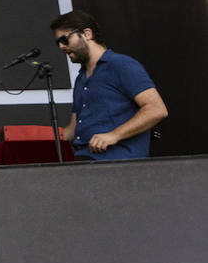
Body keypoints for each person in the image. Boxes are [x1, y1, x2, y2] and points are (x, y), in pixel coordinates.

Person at [50, 9, 167, 160]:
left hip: (118, 162)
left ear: (87, 34)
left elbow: (157, 110)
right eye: (57, 42)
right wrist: (26, 137)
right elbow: (72, 130)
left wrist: (114, 135)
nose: (61, 46)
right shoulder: (81, 78)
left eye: (64, 39)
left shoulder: (121, 65)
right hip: (84, 162)